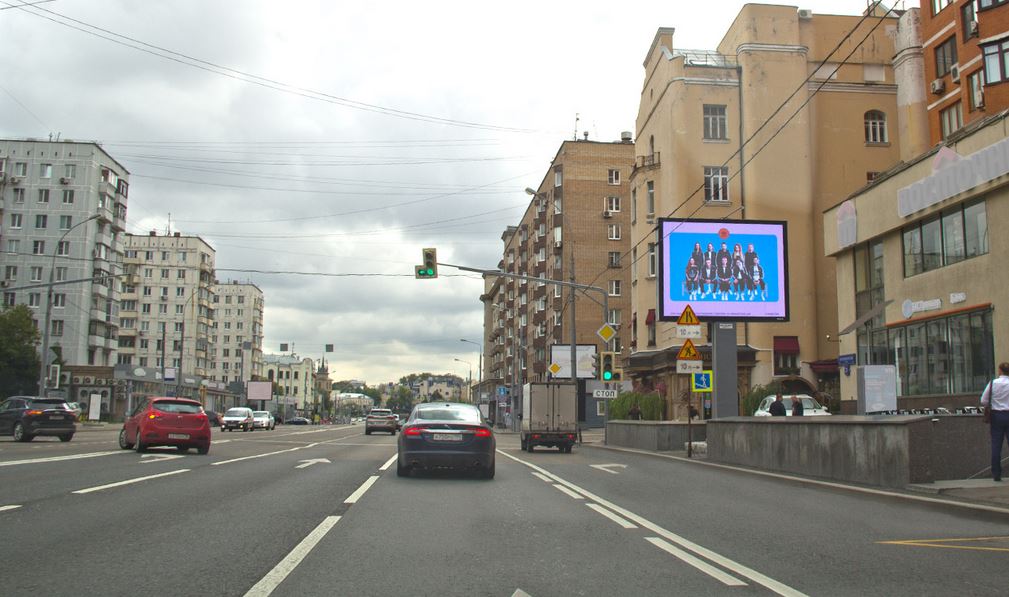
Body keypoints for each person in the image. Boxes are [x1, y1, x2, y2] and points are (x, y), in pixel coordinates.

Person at [981, 362, 1009, 481]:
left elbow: (983, 400)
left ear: (1000, 371)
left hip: (996, 416)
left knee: (996, 445)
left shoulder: (993, 383)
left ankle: (996, 474)